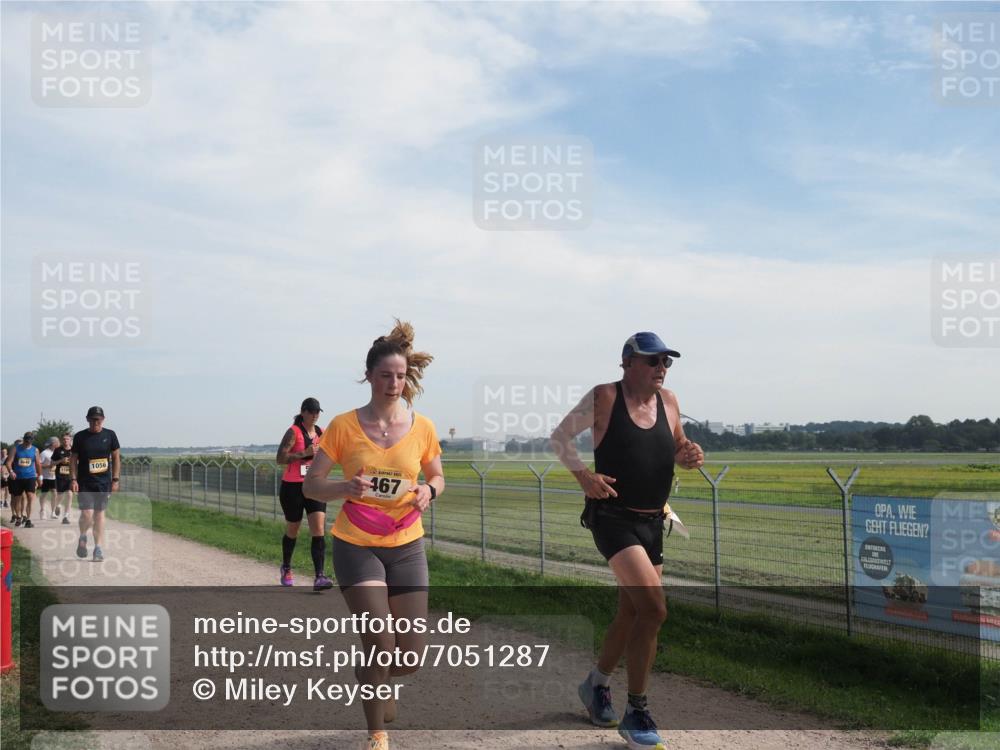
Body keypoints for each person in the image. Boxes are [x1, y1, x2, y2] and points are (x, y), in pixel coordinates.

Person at [551, 332, 704, 750]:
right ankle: (637, 710)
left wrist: (687, 456)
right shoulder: (605, 397)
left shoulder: (669, 401)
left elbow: (675, 448)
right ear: (628, 362)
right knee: (654, 609)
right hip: (613, 519)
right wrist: (584, 476)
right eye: (653, 361)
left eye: (666, 362)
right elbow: (560, 437)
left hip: (654, 521)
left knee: (631, 614)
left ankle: (596, 684)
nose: (661, 369)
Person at [304, 320, 444, 750]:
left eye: (400, 376)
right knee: (380, 641)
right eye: (385, 375)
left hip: (406, 545)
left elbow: (438, 476)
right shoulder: (344, 427)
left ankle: (372, 678)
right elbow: (311, 485)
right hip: (356, 544)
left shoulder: (423, 427)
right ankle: (376, 734)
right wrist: (344, 488)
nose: (394, 383)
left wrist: (427, 490)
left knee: (409, 657)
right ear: (368, 376)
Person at [275, 397, 333, 591]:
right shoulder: (294, 432)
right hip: (293, 488)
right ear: (303, 412)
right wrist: (304, 453)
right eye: (312, 411)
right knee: (294, 529)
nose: (315, 415)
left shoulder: (321, 432)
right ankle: (287, 567)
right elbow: (280, 458)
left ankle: (319, 576)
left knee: (318, 529)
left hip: (315, 486)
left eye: (318, 412)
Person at [70, 406, 121, 562]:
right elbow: (73, 459)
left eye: (98, 419)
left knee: (99, 514)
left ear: (103, 419)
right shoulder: (79, 437)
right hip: (85, 482)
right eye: (92, 419)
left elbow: (116, 458)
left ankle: (98, 548)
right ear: (87, 419)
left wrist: (115, 479)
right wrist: (73, 479)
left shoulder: (110, 435)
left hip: (103, 483)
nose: (95, 422)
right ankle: (83, 536)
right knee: (87, 514)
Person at [5, 433, 41, 528]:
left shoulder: (35, 450)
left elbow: (38, 464)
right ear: (24, 439)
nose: (28, 442)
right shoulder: (15, 448)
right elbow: (9, 462)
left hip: (30, 476)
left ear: (32, 440)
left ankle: (28, 519)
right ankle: (19, 517)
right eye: (26, 440)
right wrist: (11, 471)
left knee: (30, 497)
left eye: (30, 440)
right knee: (17, 498)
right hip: (18, 477)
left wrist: (39, 477)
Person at [52, 433, 74, 524]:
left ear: (70, 440)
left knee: (69, 494)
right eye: (64, 439)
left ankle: (66, 516)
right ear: (62, 441)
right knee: (60, 495)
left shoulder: (74, 450)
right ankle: (57, 506)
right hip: (60, 476)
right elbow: (52, 463)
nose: (65, 441)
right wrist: (61, 460)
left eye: (67, 439)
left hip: (71, 476)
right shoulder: (57, 450)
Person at [38, 437, 59, 520]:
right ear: (53, 443)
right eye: (57, 442)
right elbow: (39, 465)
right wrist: (48, 466)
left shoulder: (57, 453)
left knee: (54, 493)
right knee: (44, 495)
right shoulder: (44, 453)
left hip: (54, 477)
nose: (59, 444)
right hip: (46, 477)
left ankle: (53, 512)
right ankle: (42, 510)